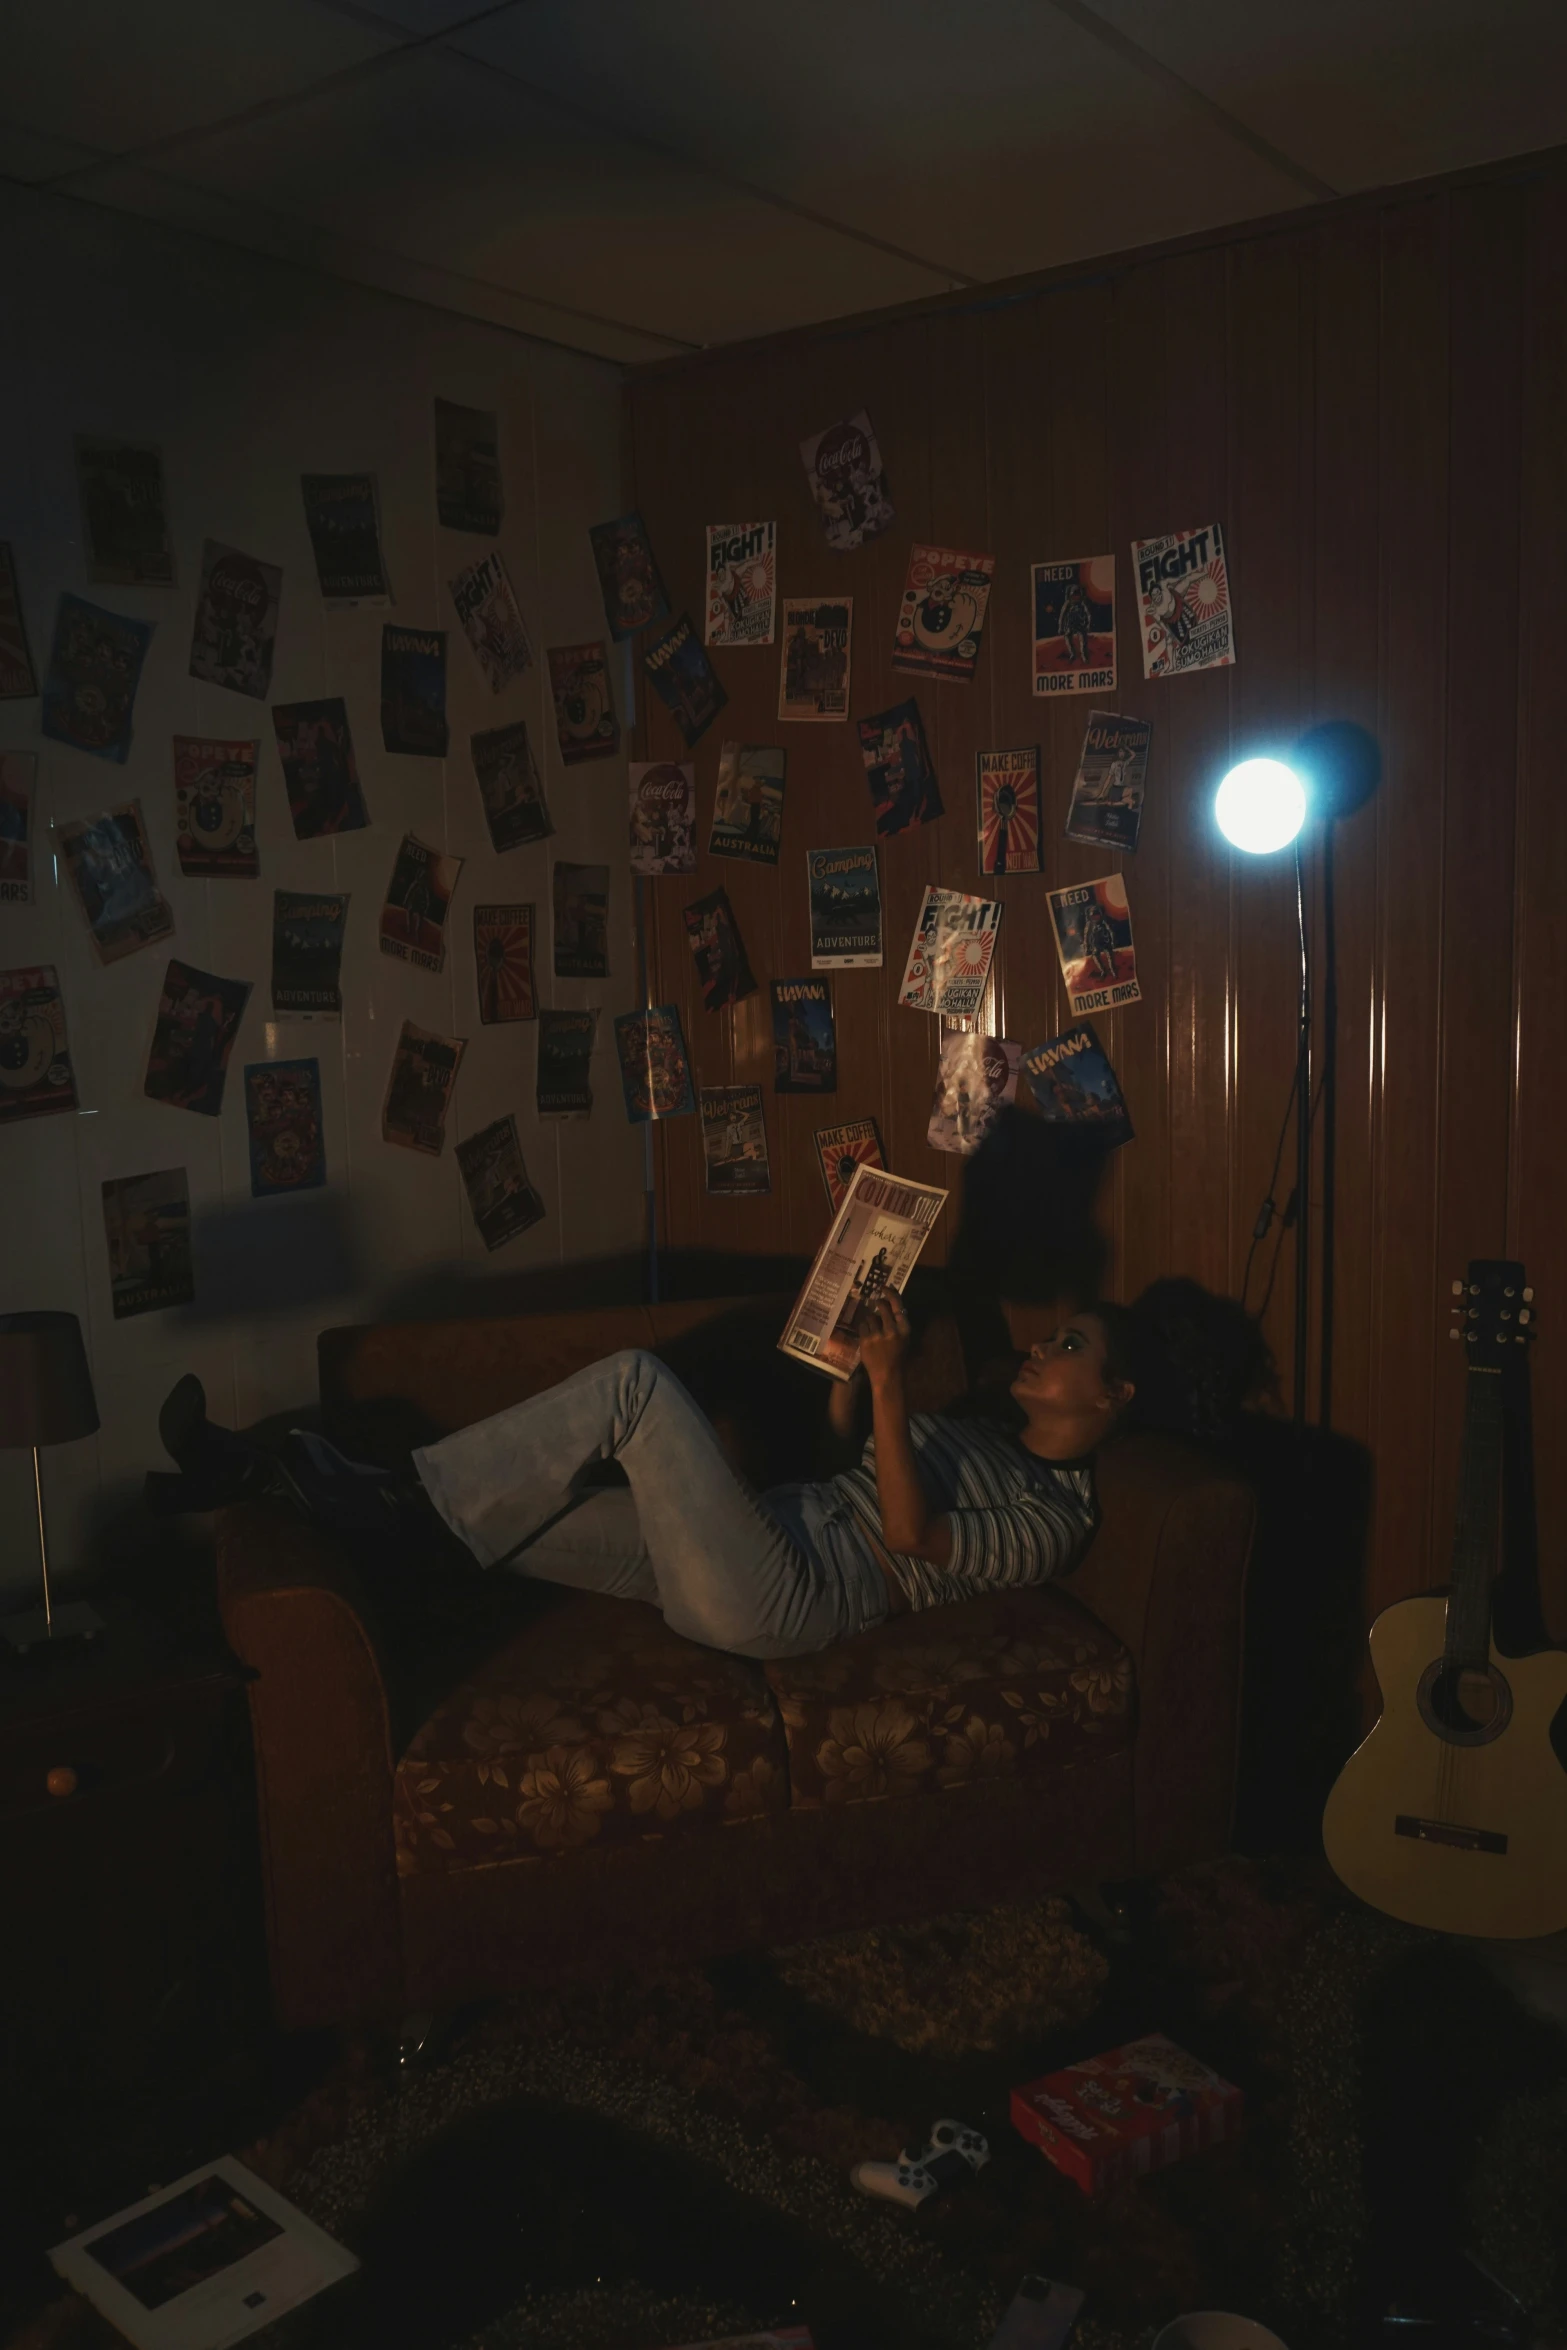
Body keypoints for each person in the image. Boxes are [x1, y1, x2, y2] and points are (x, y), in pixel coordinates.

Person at [149, 1294, 1162, 1663]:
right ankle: (274, 1484)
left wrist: (895, 1392)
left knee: (634, 1385)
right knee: (506, 1518)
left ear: (1113, 1395)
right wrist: (856, 1380)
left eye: (1068, 1344)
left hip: (796, 1597)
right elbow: (838, 1467)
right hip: (765, 1533)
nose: (1040, 1345)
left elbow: (906, 1538)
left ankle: (367, 1487)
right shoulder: (979, 1426)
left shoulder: (1053, 1516)